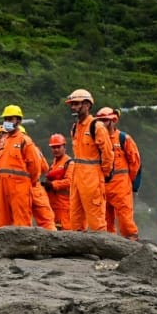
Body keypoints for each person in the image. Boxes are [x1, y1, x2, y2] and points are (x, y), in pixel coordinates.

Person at [65, 89, 114, 232]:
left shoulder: (96, 126)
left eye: (76, 104)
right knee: (75, 217)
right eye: (72, 104)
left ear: (87, 104)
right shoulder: (76, 127)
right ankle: (79, 251)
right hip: (77, 175)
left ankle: (103, 252)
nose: (73, 107)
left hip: (92, 176)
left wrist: (104, 174)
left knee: (96, 218)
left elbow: (107, 153)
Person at [0, 105, 45, 229]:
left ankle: (23, 247)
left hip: (20, 186)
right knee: (3, 221)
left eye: (11, 119)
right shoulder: (3, 141)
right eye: (6, 119)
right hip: (3, 185)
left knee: (21, 220)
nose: (7, 122)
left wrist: (27, 182)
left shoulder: (24, 140)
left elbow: (35, 166)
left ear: (19, 121)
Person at [96, 108, 141, 239]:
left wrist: (129, 181)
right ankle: (109, 245)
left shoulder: (123, 138)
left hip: (121, 184)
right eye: (100, 121)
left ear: (113, 121)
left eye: (105, 120)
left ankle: (132, 242)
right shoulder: (97, 141)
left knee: (125, 217)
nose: (102, 124)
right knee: (104, 219)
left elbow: (135, 162)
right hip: (102, 184)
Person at [44, 133, 72, 222]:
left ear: (64, 147)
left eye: (58, 147)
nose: (56, 150)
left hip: (64, 206)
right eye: (53, 147)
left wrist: (52, 185)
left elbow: (69, 181)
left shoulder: (69, 163)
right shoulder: (54, 163)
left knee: (66, 232)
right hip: (53, 205)